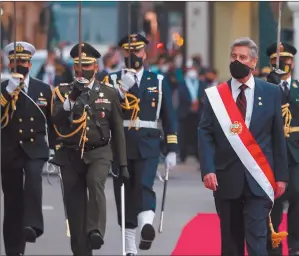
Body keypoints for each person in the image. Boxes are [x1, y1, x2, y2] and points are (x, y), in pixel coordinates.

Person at [198, 37, 288, 256]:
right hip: (226, 178)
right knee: (231, 243)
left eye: (243, 57)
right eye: (234, 56)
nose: (237, 61)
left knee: (257, 241)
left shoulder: (271, 92)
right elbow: (205, 133)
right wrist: (208, 169)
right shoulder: (216, 95)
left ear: (254, 62)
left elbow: (278, 136)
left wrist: (282, 176)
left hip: (259, 178)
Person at [50, 42, 129, 255]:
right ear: (73, 68)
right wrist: (72, 98)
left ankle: (95, 231)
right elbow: (56, 120)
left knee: (95, 182)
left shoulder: (108, 92)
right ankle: (81, 248)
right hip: (71, 155)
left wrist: (122, 164)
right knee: (75, 211)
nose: (82, 69)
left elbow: (118, 130)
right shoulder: (62, 91)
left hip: (99, 152)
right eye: (78, 65)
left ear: (95, 67)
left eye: (87, 65)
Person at [108, 33, 178, 255]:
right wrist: (120, 90)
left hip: (148, 144)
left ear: (144, 53)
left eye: (137, 51)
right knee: (125, 194)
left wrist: (172, 149)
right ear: (122, 53)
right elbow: (102, 111)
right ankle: (130, 247)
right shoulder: (111, 80)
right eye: (129, 52)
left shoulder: (156, 81)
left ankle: (147, 225)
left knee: (144, 185)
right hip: (120, 144)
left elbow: (169, 117)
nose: (133, 56)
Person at [265, 42, 299, 256]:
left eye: (285, 61)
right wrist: (272, 88)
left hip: (296, 149)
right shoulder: (264, 87)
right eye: (276, 62)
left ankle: (295, 246)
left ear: (292, 63)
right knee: (274, 199)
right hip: (271, 151)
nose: (282, 64)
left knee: (297, 194)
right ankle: (273, 243)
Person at [1, 41, 56, 256]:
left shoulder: (42, 89)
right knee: (12, 201)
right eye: (15, 62)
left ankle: (33, 224)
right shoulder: (3, 88)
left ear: (30, 65)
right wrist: (7, 92)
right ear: (10, 63)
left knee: (34, 178)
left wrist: (54, 148)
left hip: (35, 148)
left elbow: (52, 121)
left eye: (23, 62)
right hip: (9, 150)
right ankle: (14, 250)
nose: (20, 66)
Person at [178, 60, 206, 164]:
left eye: (193, 69)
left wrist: (198, 102)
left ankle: (198, 155)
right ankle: (183, 154)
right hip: (186, 113)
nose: (192, 71)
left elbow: (203, 95)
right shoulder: (182, 83)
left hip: (198, 113)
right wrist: (191, 103)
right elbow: (181, 95)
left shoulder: (202, 83)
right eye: (190, 69)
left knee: (198, 135)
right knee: (184, 134)